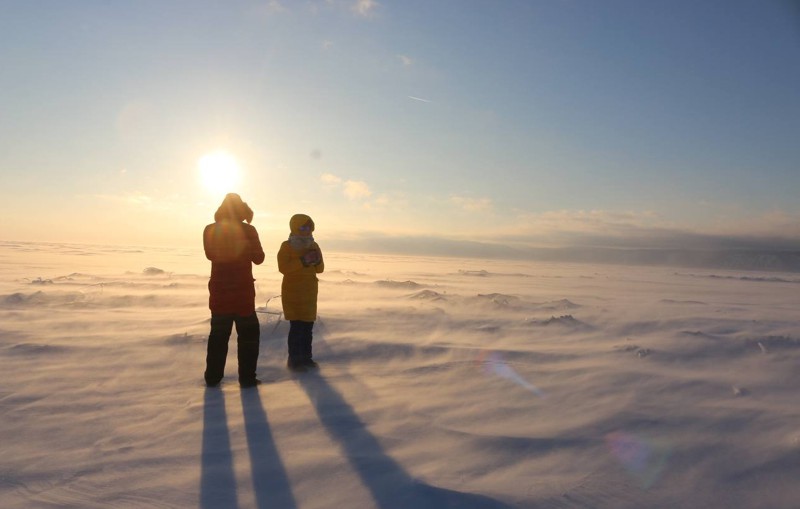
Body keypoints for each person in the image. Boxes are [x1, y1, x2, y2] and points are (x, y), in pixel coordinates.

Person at [203, 193, 265, 388]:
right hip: (242, 293)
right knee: (248, 337)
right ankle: (247, 379)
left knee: (218, 337)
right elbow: (259, 258)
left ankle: (212, 378)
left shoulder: (210, 229)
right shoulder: (249, 230)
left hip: (220, 291)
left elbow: (210, 254)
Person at [277, 213, 324, 372]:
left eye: (309, 227)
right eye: (303, 227)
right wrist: (303, 261)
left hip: (310, 292)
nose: (306, 231)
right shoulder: (287, 246)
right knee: (296, 327)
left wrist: (316, 260)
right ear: (295, 228)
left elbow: (320, 269)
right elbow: (283, 268)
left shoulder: (314, 245)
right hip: (293, 291)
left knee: (307, 327)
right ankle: (295, 361)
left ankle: (306, 358)